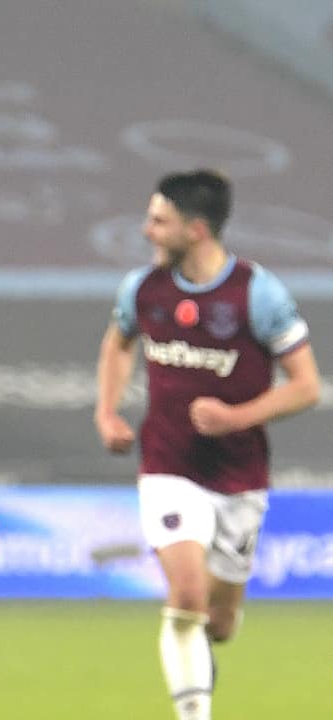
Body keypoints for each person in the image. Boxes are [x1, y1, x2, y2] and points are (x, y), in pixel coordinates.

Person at [94, 169, 320, 720]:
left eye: (159, 220)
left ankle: (204, 648)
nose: (147, 230)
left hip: (239, 478)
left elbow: (308, 386)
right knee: (188, 596)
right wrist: (107, 411)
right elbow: (119, 342)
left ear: (195, 229)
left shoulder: (256, 294)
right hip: (168, 466)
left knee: (218, 623)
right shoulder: (143, 289)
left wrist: (235, 416)